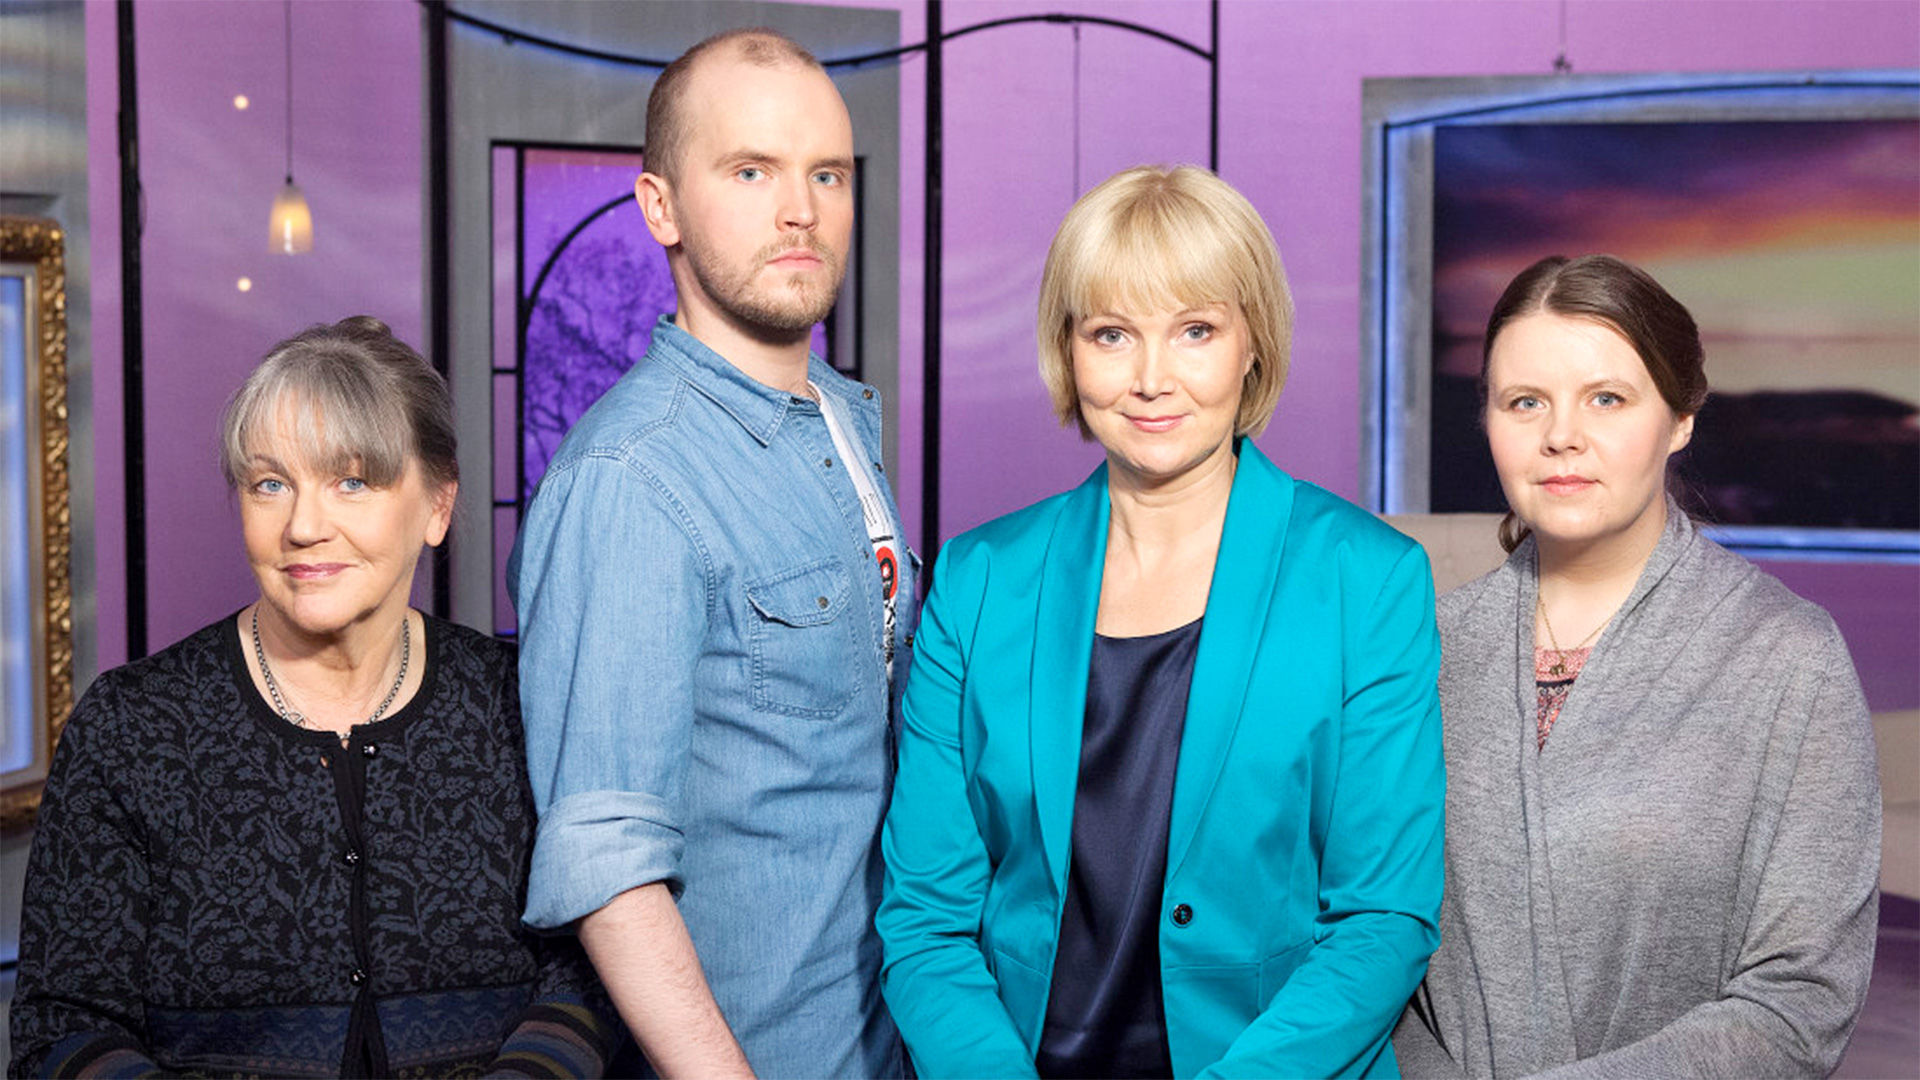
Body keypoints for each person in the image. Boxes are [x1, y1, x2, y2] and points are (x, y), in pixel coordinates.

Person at [876, 165, 1445, 1078]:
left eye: (1195, 331)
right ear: (1068, 350)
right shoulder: (978, 582)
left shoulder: (1367, 580)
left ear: (1252, 343)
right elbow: (926, 921)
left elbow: (1383, 920)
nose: (1150, 379)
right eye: (1111, 334)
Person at [9, 316, 620, 1078]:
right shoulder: (132, 728)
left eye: (351, 481)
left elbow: (591, 971)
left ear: (438, 505)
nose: (302, 526)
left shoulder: (523, 704)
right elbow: (63, 1024)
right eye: (270, 484)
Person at [508, 28, 913, 1079]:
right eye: (750, 171)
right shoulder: (629, 479)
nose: (801, 209)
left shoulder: (839, 419)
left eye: (827, 173)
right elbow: (608, 871)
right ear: (662, 208)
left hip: (891, 1041)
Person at [1392, 255, 1881, 1077]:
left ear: (1680, 417)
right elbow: (1371, 945)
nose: (1560, 436)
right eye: (1525, 402)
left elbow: (1802, 1000)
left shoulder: (1788, 658)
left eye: (1607, 399)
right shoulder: (1423, 650)